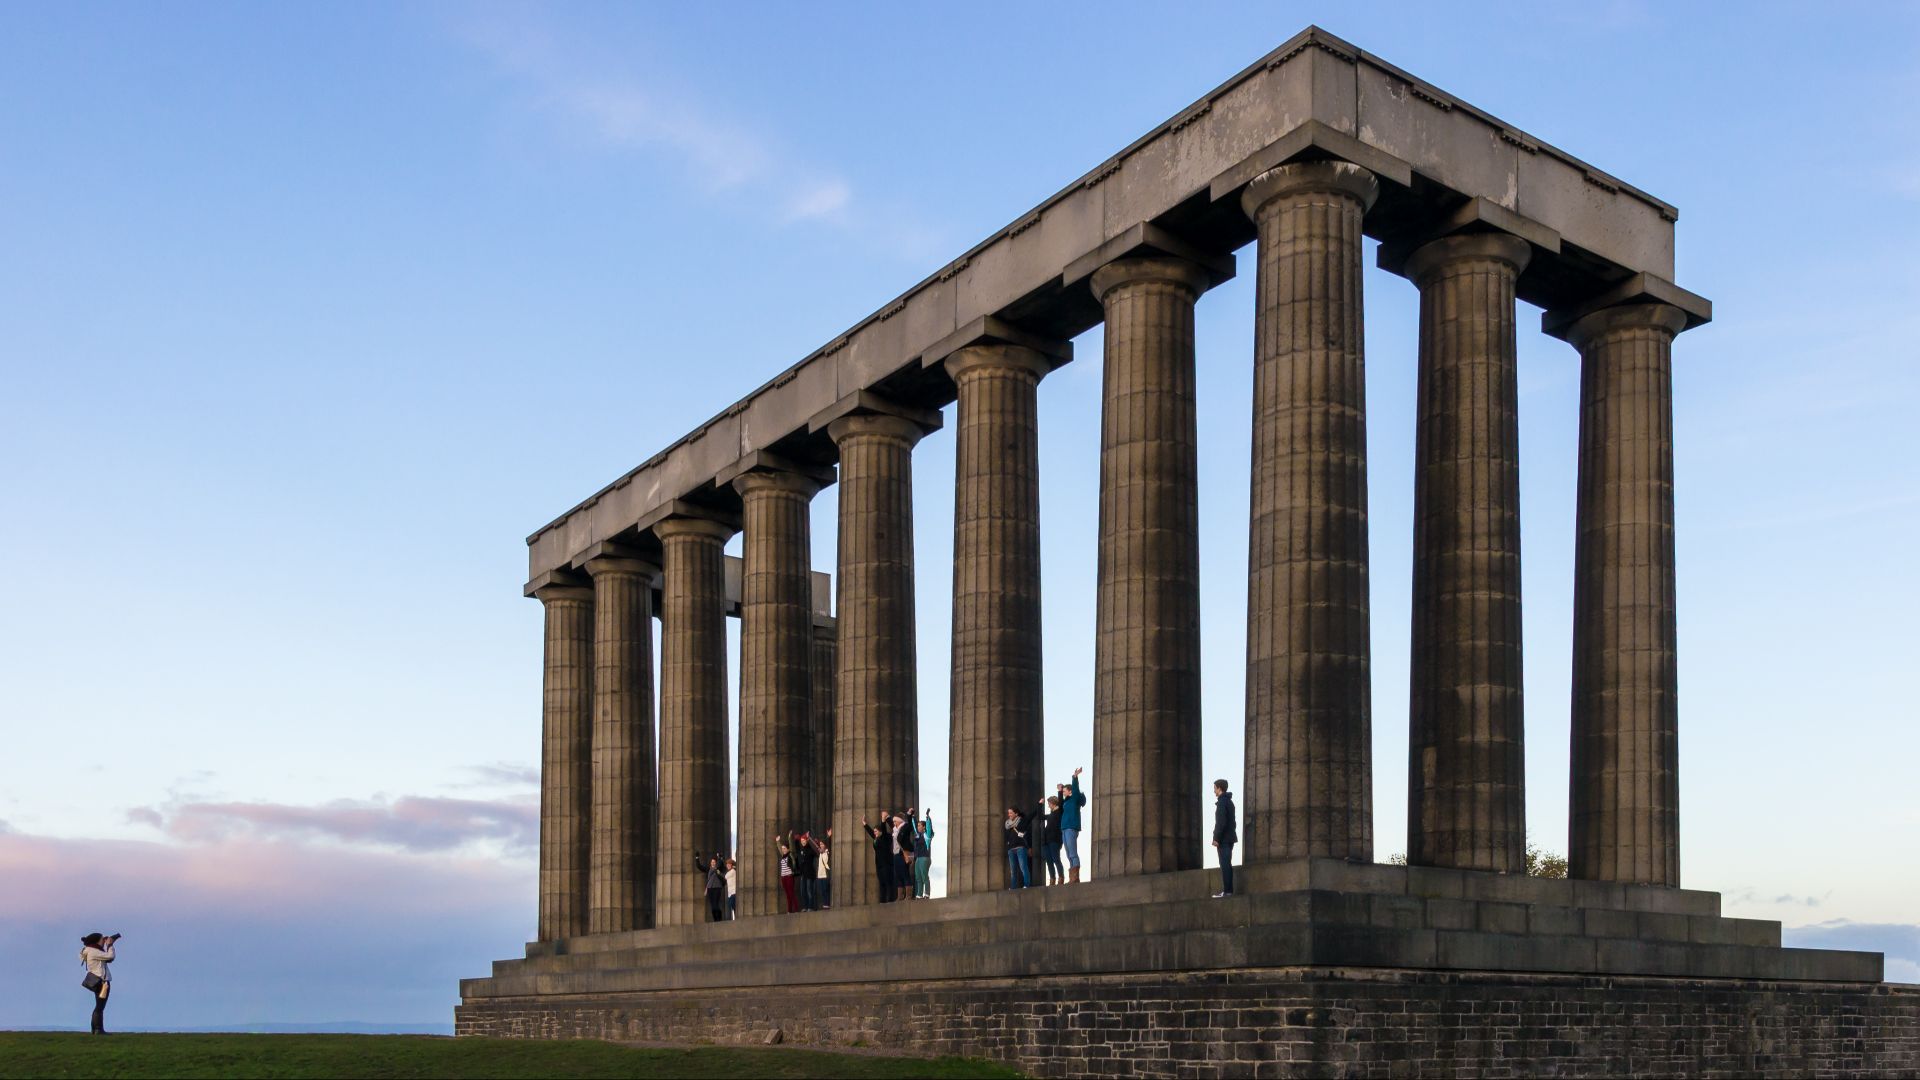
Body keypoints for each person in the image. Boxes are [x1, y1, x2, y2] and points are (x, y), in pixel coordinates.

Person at [79, 932, 118, 1035]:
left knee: (99, 1006)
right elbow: (110, 957)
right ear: (97, 941)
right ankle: (98, 1029)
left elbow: (106, 959)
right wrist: (110, 945)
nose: (103, 941)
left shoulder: (88, 950)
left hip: (97, 981)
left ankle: (95, 1029)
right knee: (100, 1007)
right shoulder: (94, 951)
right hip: (102, 982)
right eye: (102, 939)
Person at [1058, 766, 1086, 882]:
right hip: (1064, 828)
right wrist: (1059, 791)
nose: (1063, 792)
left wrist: (1075, 777)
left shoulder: (1074, 798)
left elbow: (1075, 788)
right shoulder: (1066, 801)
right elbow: (1060, 804)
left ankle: (1075, 876)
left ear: (1070, 791)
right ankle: (1072, 877)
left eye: (1065, 790)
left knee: (1073, 852)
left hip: (1071, 828)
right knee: (1068, 853)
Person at [1211, 778, 1237, 898]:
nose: (1214, 791)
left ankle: (1227, 891)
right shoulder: (1229, 802)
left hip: (1224, 840)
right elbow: (1232, 823)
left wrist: (1216, 838)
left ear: (1219, 788)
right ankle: (1228, 891)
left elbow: (1221, 822)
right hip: (1229, 838)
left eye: (1215, 788)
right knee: (1227, 864)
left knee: (1225, 864)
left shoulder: (1222, 802)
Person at [862, 813, 895, 902]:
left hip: (887, 863)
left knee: (888, 882)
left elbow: (884, 830)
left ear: (880, 831)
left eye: (876, 831)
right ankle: (882, 900)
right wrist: (864, 824)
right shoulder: (877, 838)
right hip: (879, 864)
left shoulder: (885, 837)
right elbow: (871, 832)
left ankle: (891, 899)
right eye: (875, 831)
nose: (875, 833)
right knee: (882, 882)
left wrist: (883, 821)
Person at [1003, 806, 1032, 889]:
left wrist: (1039, 804)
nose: (1009, 814)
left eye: (1011, 813)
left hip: (1020, 847)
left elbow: (1030, 817)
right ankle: (1013, 887)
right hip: (1011, 849)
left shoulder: (1021, 821)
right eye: (1008, 813)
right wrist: (1008, 844)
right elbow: (1007, 836)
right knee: (1013, 870)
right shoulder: (1007, 824)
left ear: (1016, 813)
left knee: (1023, 867)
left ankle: (1026, 885)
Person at [1039, 794, 1065, 885]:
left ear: (1053, 803)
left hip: (1055, 840)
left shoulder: (1059, 812)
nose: (1048, 805)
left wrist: (1060, 792)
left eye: (1049, 803)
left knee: (1056, 859)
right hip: (1046, 841)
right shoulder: (1051, 814)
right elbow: (1040, 817)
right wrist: (1040, 805)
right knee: (1049, 861)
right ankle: (1052, 879)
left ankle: (1061, 877)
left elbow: (1061, 804)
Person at [695, 853, 728, 922]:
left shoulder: (718, 868)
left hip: (717, 888)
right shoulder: (708, 869)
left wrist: (719, 858)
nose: (713, 863)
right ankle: (716, 920)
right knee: (713, 906)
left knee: (716, 904)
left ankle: (719, 918)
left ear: (716, 863)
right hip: (710, 889)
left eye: (714, 862)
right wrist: (697, 858)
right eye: (712, 862)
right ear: (710, 863)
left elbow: (720, 864)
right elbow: (699, 866)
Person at [891, 813, 916, 902]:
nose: (894, 823)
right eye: (893, 821)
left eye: (895, 821)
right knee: (898, 875)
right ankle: (900, 896)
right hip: (896, 854)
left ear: (899, 821)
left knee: (905, 873)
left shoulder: (905, 827)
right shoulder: (895, 830)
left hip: (903, 853)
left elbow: (910, 826)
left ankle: (908, 896)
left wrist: (909, 815)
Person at [792, 831, 818, 912]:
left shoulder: (810, 850)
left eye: (804, 841)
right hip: (803, 874)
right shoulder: (801, 851)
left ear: (807, 841)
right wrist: (796, 840)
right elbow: (797, 849)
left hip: (810, 874)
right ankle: (805, 907)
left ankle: (811, 907)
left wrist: (812, 841)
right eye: (801, 841)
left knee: (809, 891)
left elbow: (816, 853)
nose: (803, 842)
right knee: (803, 892)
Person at [773, 834, 800, 913]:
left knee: (791, 893)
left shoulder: (790, 855)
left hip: (789, 876)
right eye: (783, 849)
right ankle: (789, 910)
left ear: (788, 849)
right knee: (788, 895)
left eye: (785, 848)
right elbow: (779, 849)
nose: (783, 850)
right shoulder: (783, 856)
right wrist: (778, 842)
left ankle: (796, 909)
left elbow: (791, 847)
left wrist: (789, 837)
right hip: (783, 877)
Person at [913, 809, 935, 898]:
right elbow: (914, 826)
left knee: (924, 876)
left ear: (924, 827)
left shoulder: (927, 835)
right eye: (918, 825)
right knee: (918, 877)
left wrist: (927, 818)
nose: (918, 827)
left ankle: (927, 893)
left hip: (925, 858)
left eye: (919, 825)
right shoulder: (918, 835)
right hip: (918, 858)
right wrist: (913, 816)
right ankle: (919, 894)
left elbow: (929, 827)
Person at [814, 831, 832, 909]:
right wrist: (810, 839)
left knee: (825, 890)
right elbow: (815, 846)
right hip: (820, 874)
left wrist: (829, 837)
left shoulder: (827, 852)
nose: (821, 845)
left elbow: (829, 844)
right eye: (820, 844)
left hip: (825, 873)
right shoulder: (820, 853)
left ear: (825, 845)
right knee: (821, 891)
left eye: (822, 844)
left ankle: (827, 904)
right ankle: (824, 903)